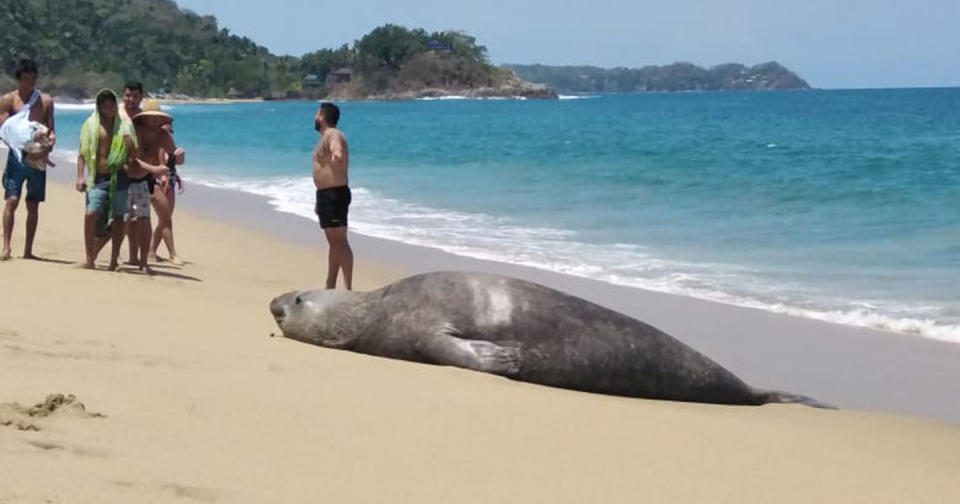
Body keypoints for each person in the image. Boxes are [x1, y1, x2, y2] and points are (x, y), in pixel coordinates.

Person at [0, 59, 56, 261]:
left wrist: (47, 147)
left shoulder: (46, 101)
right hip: (17, 158)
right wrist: (25, 143)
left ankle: (28, 250)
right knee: (11, 201)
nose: (30, 82)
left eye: (33, 78)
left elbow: (51, 130)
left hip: (38, 158)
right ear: (19, 79)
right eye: (26, 78)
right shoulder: (8, 100)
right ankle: (6, 247)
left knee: (33, 204)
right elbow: (4, 131)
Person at [76, 89, 138, 270]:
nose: (109, 109)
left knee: (119, 218)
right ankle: (89, 258)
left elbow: (134, 155)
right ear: (100, 107)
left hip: (119, 176)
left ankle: (113, 259)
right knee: (91, 214)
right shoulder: (91, 125)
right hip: (98, 177)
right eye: (105, 106)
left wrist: (130, 145)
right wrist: (80, 176)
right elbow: (82, 153)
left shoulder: (125, 126)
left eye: (112, 105)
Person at [127, 101, 174, 273]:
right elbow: (131, 159)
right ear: (144, 117)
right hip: (126, 179)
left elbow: (175, 157)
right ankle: (127, 256)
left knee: (145, 220)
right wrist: (155, 169)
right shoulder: (135, 131)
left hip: (144, 181)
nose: (154, 121)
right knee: (125, 220)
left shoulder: (163, 135)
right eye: (151, 118)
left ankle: (145, 259)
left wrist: (179, 157)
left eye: (157, 118)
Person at [313, 102, 352, 290]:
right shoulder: (324, 138)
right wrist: (318, 199)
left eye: (316, 114)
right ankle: (331, 284)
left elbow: (337, 149)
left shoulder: (333, 135)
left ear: (322, 115)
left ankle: (347, 288)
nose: (314, 118)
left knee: (340, 241)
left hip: (334, 194)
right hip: (326, 195)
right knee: (334, 242)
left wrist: (337, 154)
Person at [147, 104, 185, 264]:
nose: (169, 132)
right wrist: (166, 178)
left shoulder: (166, 139)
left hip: (170, 180)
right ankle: (171, 253)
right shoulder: (159, 141)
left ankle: (151, 251)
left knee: (165, 219)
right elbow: (162, 161)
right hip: (161, 182)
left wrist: (178, 177)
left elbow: (173, 163)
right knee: (165, 218)